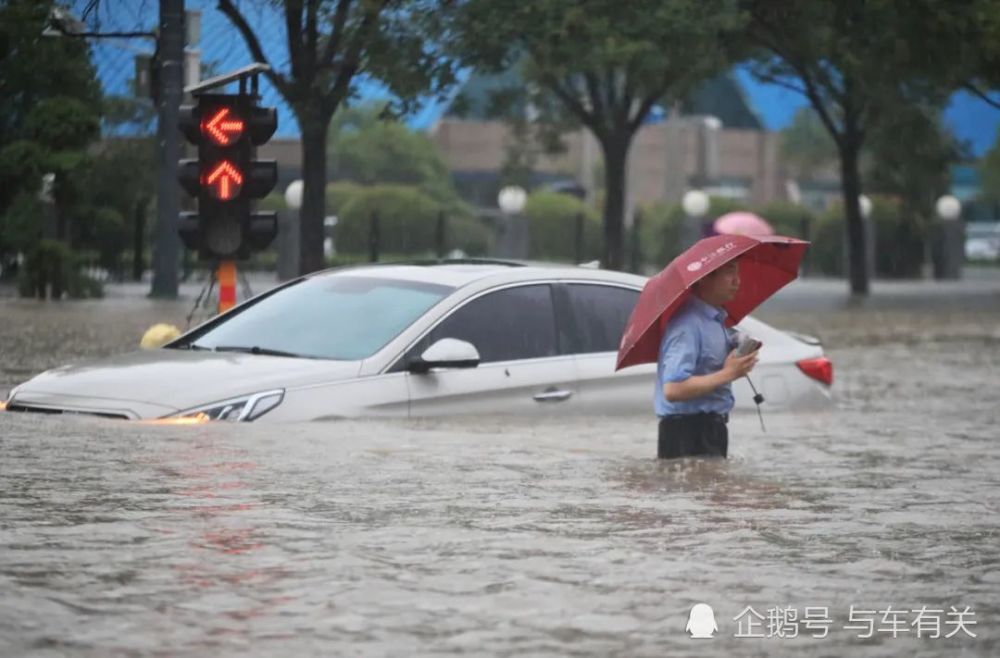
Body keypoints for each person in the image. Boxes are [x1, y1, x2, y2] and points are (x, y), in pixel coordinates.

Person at [655, 260, 758, 459]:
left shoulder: (716, 321)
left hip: (712, 428)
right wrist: (728, 373)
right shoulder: (686, 325)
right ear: (703, 278)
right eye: (729, 272)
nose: (737, 280)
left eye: (737, 271)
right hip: (685, 432)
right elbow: (673, 389)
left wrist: (737, 352)